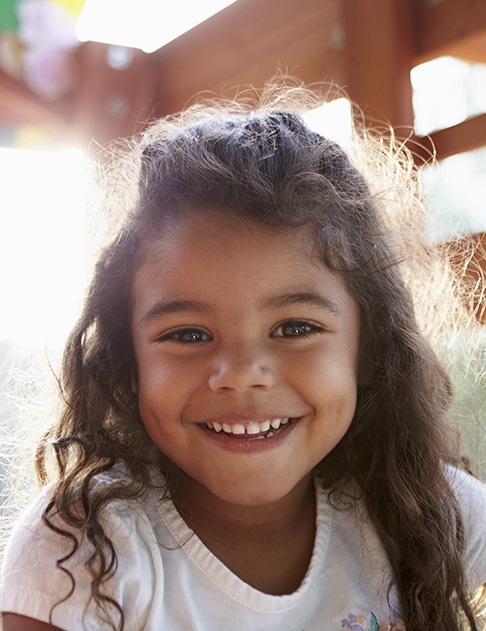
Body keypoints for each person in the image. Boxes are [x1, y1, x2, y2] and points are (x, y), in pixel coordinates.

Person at [0, 88, 485, 631]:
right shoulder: (82, 550)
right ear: (127, 363)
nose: (239, 373)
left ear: (368, 351)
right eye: (186, 334)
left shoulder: (417, 505)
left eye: (295, 328)